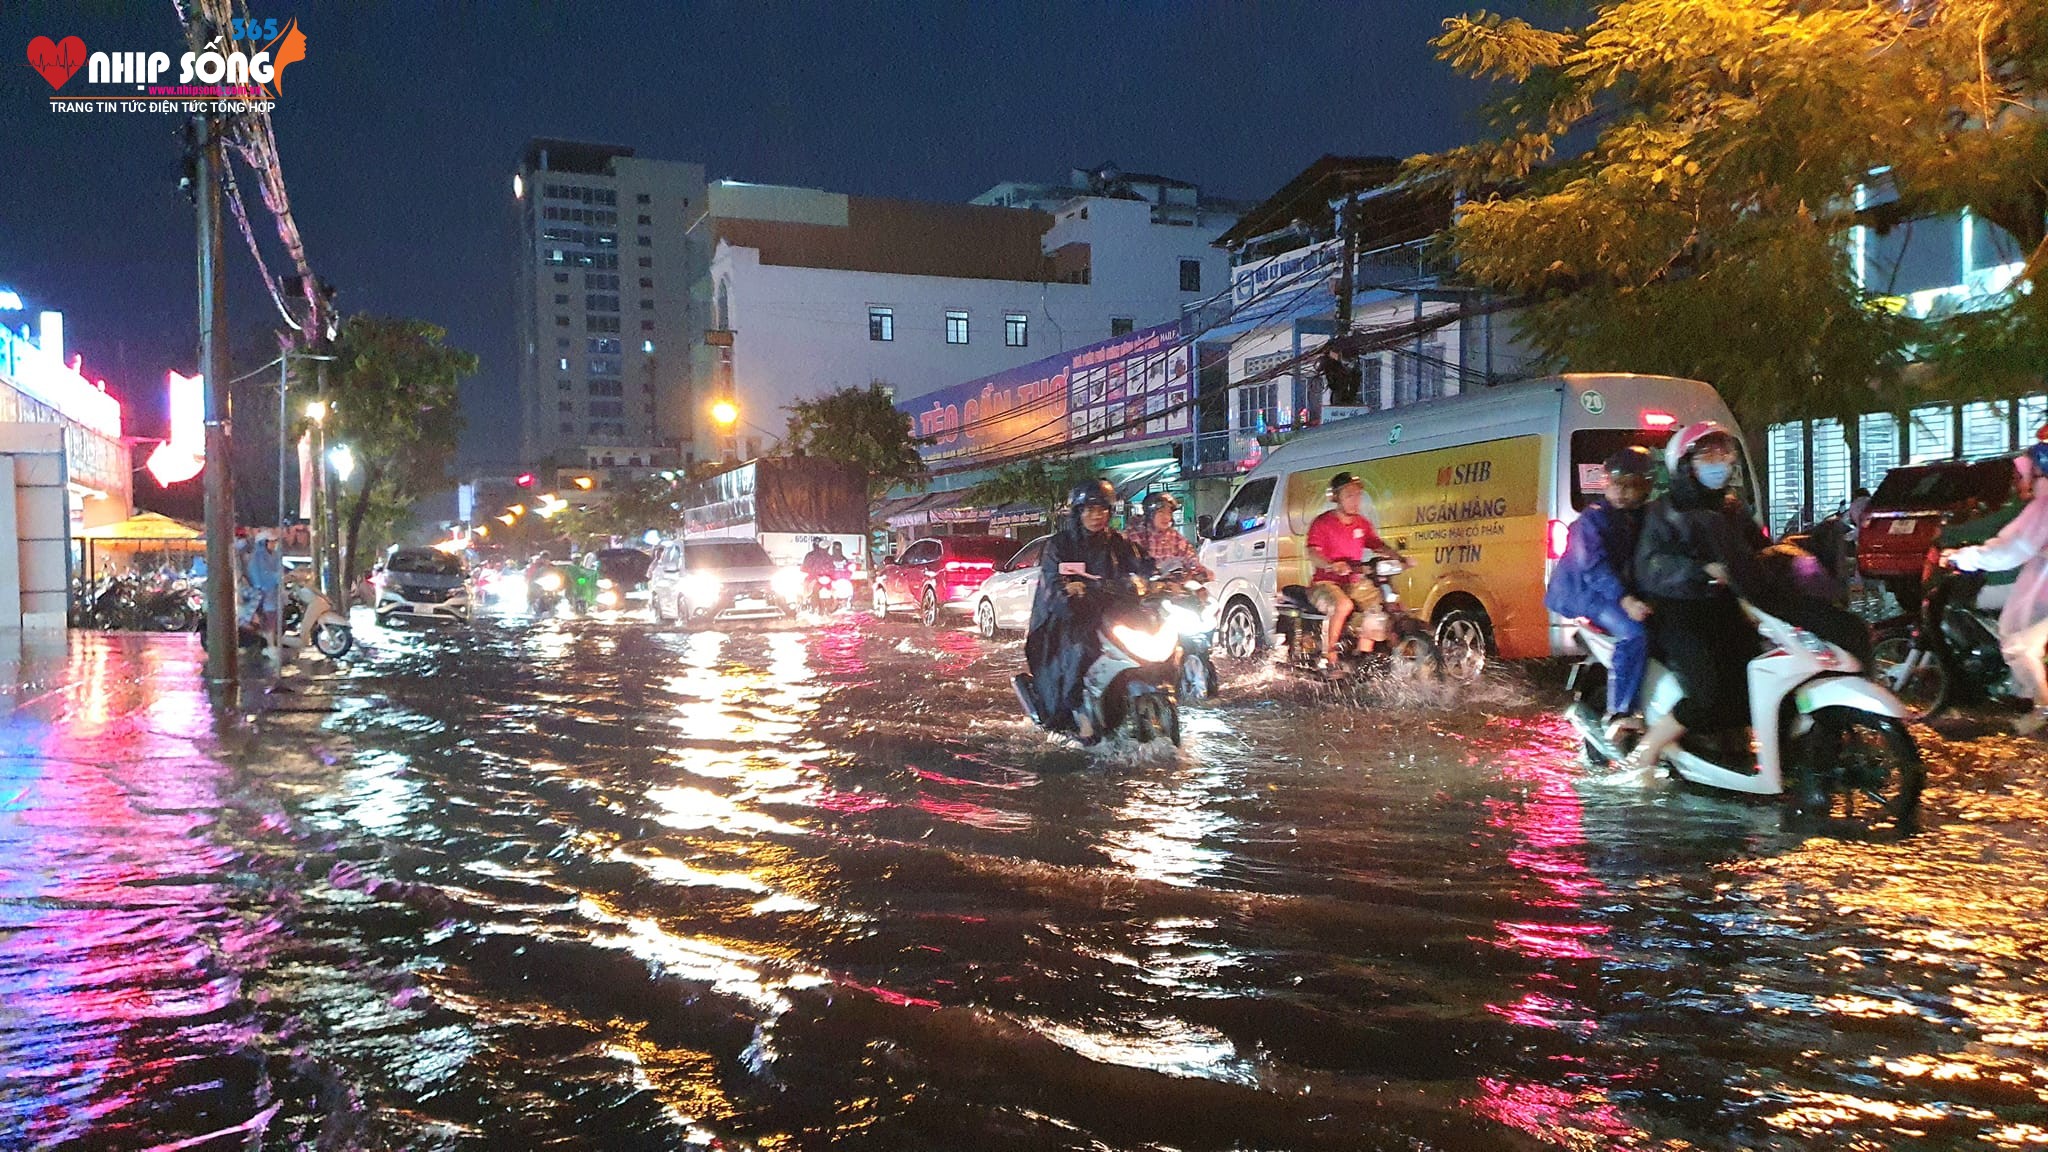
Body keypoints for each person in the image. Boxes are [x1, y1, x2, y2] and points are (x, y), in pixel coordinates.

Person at [1625, 423, 1770, 776]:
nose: (1719, 463)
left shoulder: (1732, 508)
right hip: (1679, 612)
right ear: (1686, 464)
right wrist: (1699, 570)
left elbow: (1757, 550)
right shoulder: (1664, 511)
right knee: (1705, 691)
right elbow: (1651, 566)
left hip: (1725, 609)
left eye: (1724, 454)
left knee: (1754, 675)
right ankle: (1647, 750)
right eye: (1709, 456)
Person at [1018, 480, 1149, 738]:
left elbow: (1143, 565)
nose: (1096, 516)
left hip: (1112, 615)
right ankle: (1077, 710)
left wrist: (1160, 577)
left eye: (1101, 510)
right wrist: (1068, 590)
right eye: (1089, 510)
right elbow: (1053, 580)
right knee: (1080, 650)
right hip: (1068, 617)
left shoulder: (1118, 543)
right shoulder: (1061, 544)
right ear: (1078, 512)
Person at [1545, 447, 1656, 738]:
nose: (1621, 493)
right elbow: (1593, 568)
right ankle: (1620, 712)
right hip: (1586, 592)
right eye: (1616, 484)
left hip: (1615, 589)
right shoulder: (1592, 521)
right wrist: (1626, 600)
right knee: (1634, 633)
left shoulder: (1642, 516)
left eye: (1630, 486)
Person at [1946, 437, 2048, 737]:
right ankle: (2027, 698)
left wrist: (1966, 557)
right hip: (2037, 579)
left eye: (2022, 473)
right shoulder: (2037, 504)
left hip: (2042, 584)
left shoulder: (2042, 506)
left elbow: (2013, 547)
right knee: (2015, 636)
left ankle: (2041, 709)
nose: (2019, 480)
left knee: (2018, 643)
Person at [1305, 471, 1395, 670]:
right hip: (1325, 583)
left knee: (1379, 607)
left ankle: (1363, 660)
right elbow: (1312, 552)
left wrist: (1398, 557)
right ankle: (1331, 658)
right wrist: (1331, 565)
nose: (1356, 500)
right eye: (1349, 496)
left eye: (1358, 495)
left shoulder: (1361, 523)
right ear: (1336, 498)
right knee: (1344, 605)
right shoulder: (1322, 524)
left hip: (1354, 581)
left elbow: (1376, 544)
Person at [1125, 493, 1211, 583]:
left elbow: (1189, 556)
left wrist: (1201, 571)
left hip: (1170, 590)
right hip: (1143, 589)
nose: (1166, 517)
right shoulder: (1136, 533)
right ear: (1150, 514)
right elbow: (1133, 560)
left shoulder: (1175, 537)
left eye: (1169, 513)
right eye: (1161, 512)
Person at [246, 527, 284, 636]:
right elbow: (261, 577)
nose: (273, 544)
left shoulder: (275, 555)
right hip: (262, 593)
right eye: (271, 542)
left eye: (274, 542)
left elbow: (279, 570)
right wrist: (277, 578)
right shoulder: (258, 557)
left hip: (274, 592)